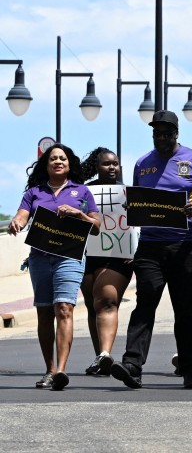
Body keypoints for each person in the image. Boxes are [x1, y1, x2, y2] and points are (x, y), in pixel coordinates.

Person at [110, 110, 192, 390]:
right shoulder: (142, 163)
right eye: (157, 133)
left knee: (186, 309)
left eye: (166, 133)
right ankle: (132, 364)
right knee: (145, 304)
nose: (161, 137)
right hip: (150, 246)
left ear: (176, 133)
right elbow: (138, 199)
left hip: (186, 245)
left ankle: (189, 366)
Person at [7, 144, 100, 391]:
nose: (58, 162)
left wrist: (78, 214)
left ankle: (61, 370)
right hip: (39, 258)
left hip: (69, 257)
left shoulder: (81, 192)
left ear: (70, 164)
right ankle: (49, 369)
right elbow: (22, 215)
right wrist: (16, 222)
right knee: (45, 312)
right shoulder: (34, 192)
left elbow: (97, 226)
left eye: (63, 158)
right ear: (46, 165)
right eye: (53, 159)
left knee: (64, 308)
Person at [79, 147, 132, 377]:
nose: (112, 167)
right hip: (88, 254)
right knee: (93, 305)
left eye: (115, 163)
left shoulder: (128, 193)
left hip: (119, 255)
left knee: (107, 300)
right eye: (106, 164)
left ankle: (106, 353)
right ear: (97, 167)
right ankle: (100, 357)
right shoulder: (84, 191)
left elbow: (141, 223)